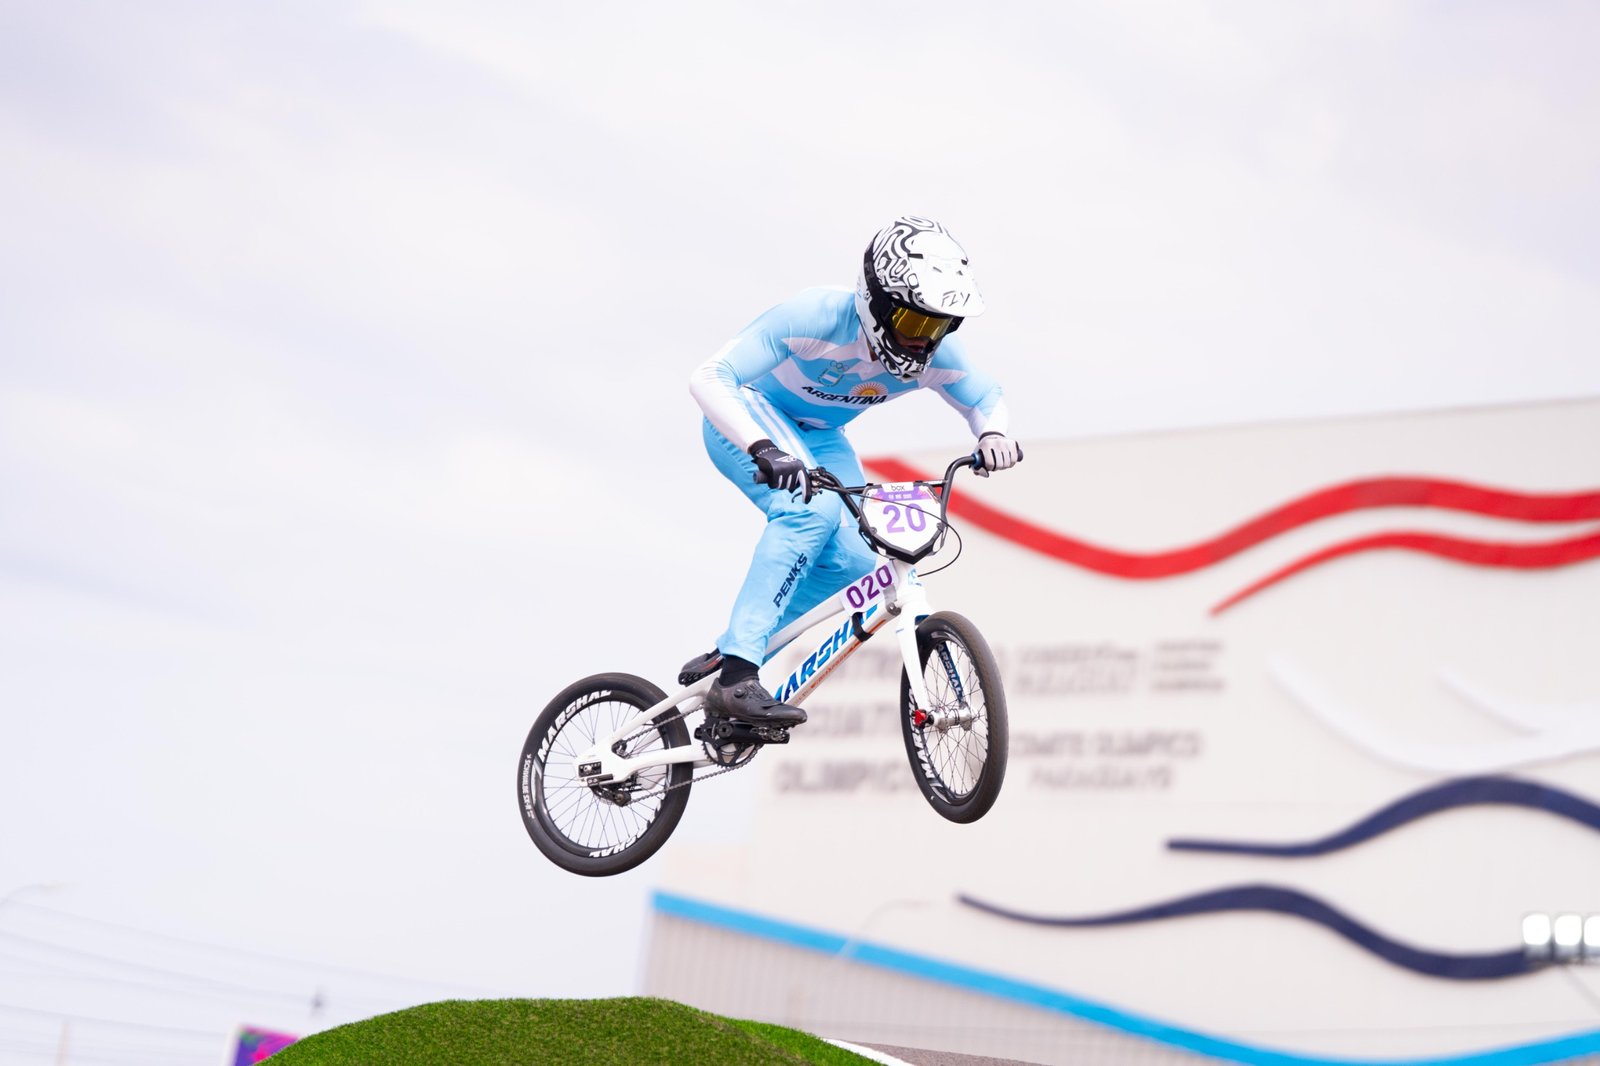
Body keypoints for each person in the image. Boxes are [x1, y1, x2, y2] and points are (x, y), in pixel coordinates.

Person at [687, 215, 1021, 727]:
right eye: (914, 324)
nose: (923, 342)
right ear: (877, 304)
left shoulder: (938, 356)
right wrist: (763, 447)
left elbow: (985, 398)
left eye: (938, 326)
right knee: (812, 513)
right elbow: (710, 376)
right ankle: (737, 674)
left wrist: (992, 434)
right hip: (750, 415)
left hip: (821, 435)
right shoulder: (815, 317)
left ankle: (735, 650)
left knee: (860, 562)